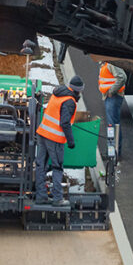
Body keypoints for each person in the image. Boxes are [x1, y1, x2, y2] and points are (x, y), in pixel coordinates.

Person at [34, 76, 83, 206]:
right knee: (57, 167)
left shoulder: (58, 94)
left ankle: (41, 196)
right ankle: (57, 198)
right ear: (78, 90)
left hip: (43, 133)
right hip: (54, 138)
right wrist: (71, 141)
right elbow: (65, 123)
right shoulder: (70, 101)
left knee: (41, 165)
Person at [98, 61, 126, 158]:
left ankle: (113, 153)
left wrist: (111, 91)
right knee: (113, 124)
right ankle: (114, 151)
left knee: (112, 125)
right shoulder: (105, 63)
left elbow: (122, 77)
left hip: (113, 96)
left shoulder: (110, 63)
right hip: (110, 97)